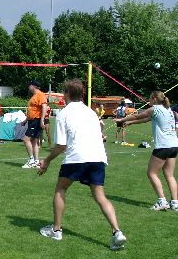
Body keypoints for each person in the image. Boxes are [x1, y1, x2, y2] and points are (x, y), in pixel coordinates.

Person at [38, 79, 127, 250]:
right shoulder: (91, 112)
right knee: (100, 196)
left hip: (76, 158)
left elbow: (61, 146)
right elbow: (99, 132)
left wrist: (46, 161)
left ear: (67, 94)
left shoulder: (64, 113)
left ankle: (56, 230)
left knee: (60, 189)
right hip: (97, 157)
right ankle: (117, 232)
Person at [116, 91, 178, 211]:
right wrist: (130, 122)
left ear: (154, 98)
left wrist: (122, 119)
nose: (148, 100)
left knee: (152, 173)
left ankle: (162, 201)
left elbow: (138, 115)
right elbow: (146, 119)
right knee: (169, 175)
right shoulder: (167, 109)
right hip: (174, 145)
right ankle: (175, 203)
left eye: (149, 98)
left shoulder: (155, 108)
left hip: (163, 146)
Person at [21, 81, 48, 168]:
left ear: (33, 86)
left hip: (36, 121)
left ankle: (31, 160)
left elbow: (44, 107)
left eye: (30, 85)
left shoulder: (40, 95)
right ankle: (36, 161)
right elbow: (32, 110)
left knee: (25, 139)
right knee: (34, 141)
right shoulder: (34, 96)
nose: (29, 87)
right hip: (32, 121)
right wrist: (25, 120)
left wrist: (42, 120)